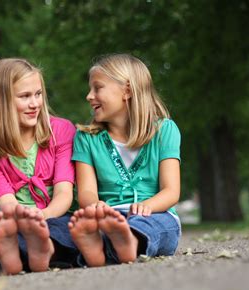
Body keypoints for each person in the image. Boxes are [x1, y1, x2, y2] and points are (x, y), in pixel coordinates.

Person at [68, 54, 181, 267]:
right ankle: (109, 247)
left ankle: (123, 242)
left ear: (127, 91)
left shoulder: (165, 131)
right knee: (76, 226)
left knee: (149, 226)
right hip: (109, 216)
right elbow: (86, 192)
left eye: (97, 88)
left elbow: (171, 191)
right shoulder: (85, 138)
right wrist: (97, 207)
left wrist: (145, 206)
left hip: (155, 213)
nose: (89, 96)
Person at [0, 58, 78, 276]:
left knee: (64, 230)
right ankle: (24, 253)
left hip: (57, 214)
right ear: (1, 102)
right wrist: (27, 222)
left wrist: (42, 217)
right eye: (25, 96)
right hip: (19, 222)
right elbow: (7, 203)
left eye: (38, 94)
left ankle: (42, 250)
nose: (35, 104)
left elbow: (64, 193)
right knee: (11, 237)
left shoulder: (62, 131)